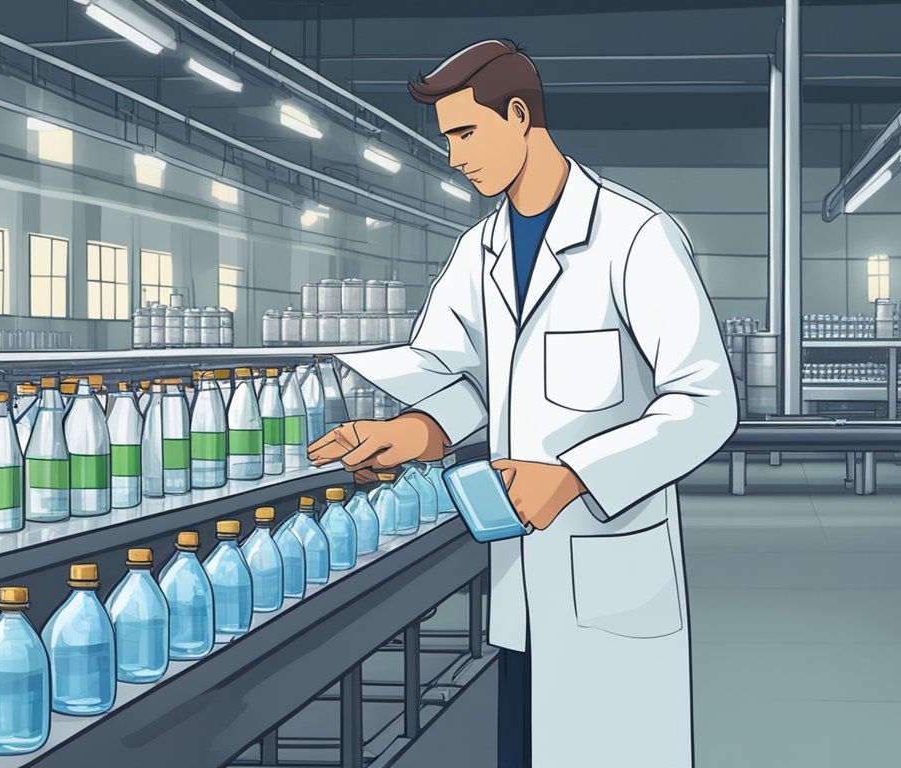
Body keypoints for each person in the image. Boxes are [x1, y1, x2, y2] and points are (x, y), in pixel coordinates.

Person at [309, 39, 737, 768]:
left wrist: (573, 476)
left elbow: (705, 400)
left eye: (465, 134)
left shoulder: (635, 237)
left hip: (611, 584)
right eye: (446, 140)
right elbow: (460, 375)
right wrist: (414, 432)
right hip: (522, 595)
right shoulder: (480, 251)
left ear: (519, 115)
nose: (453, 157)